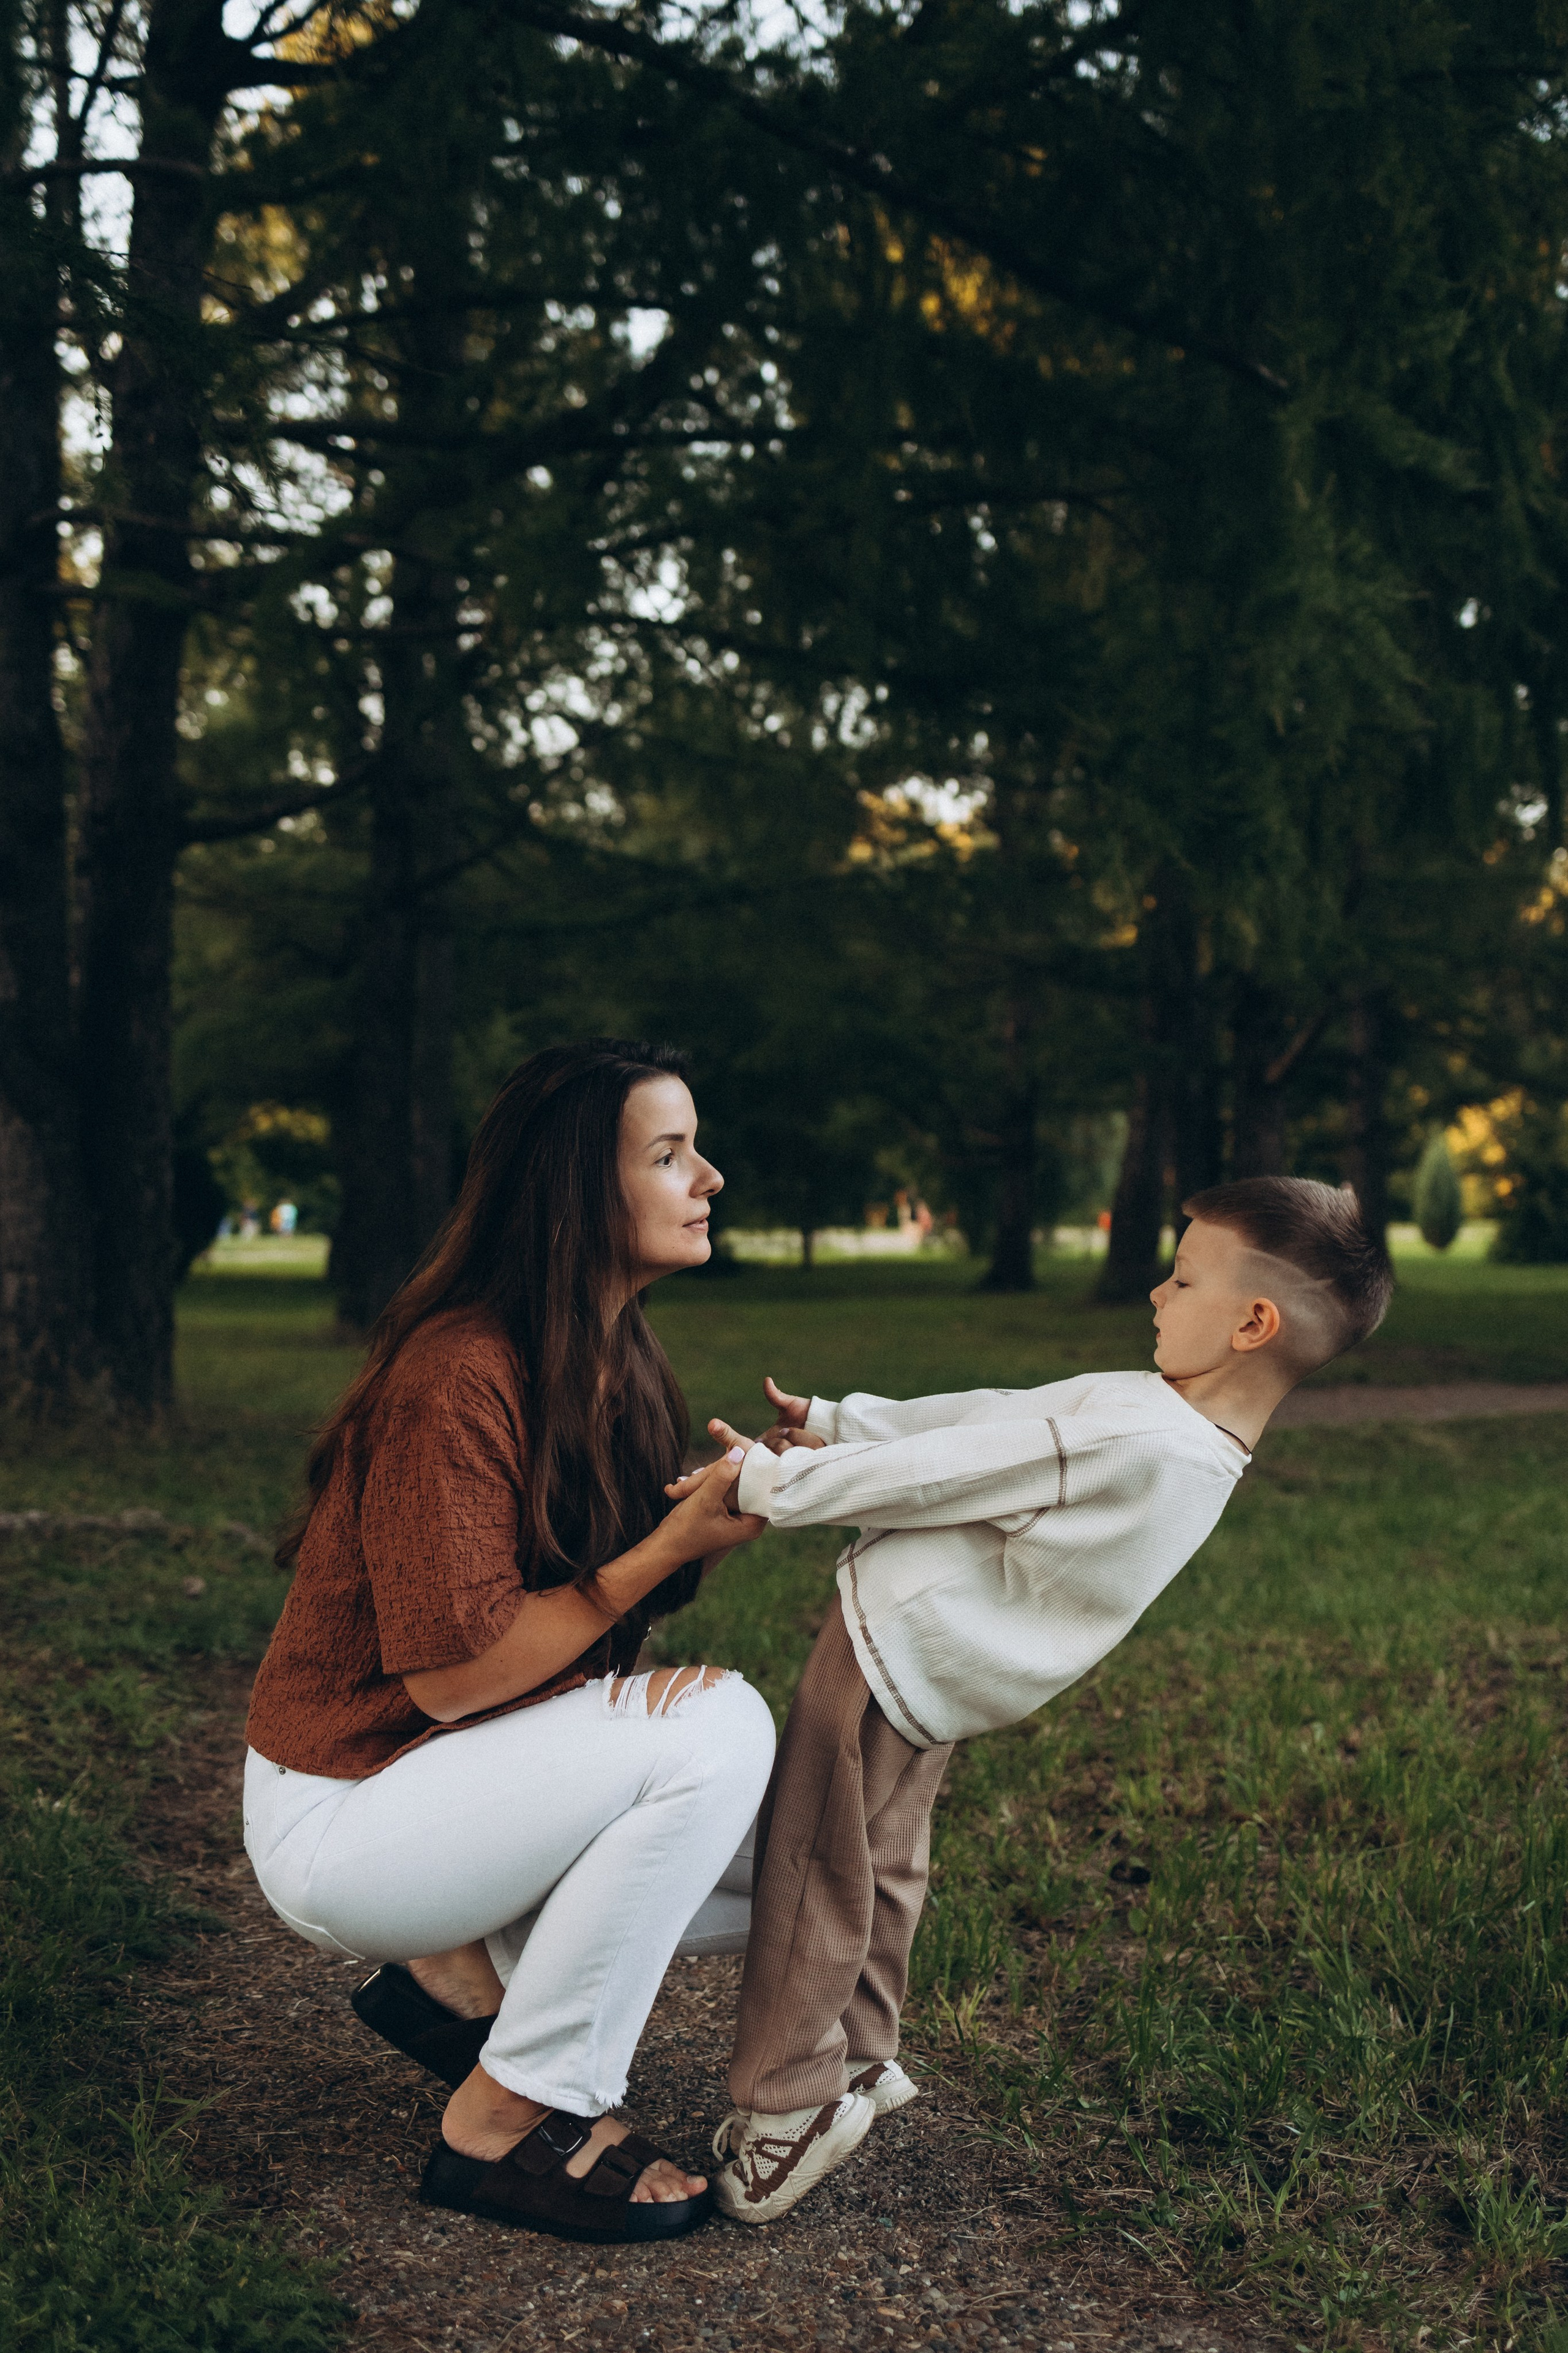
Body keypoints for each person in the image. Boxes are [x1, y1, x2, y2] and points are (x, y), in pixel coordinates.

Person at [673, 1177, 1393, 2223]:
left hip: (885, 1656)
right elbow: (994, 1420)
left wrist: (769, 1486)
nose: (1155, 1289)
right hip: (939, 1675)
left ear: (1253, 1322)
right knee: (883, 1856)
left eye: (1183, 1276)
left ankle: (790, 2108)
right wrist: (841, 1422)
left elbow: (950, 1473)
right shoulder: (1172, 1425)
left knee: (815, 1864)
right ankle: (866, 2059)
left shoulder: (1143, 1438)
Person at [241, 1040, 775, 2245]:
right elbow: (453, 1678)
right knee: (714, 1731)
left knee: (789, 1845)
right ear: (578, 1189)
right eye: (668, 1153)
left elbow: (590, 1609)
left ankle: (461, 1990)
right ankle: (503, 2118)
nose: (711, 1176)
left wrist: (704, 1518)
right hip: (349, 1809)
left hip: (454, 1784)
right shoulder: (455, 1376)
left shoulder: (613, 1355)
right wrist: (654, 1550)